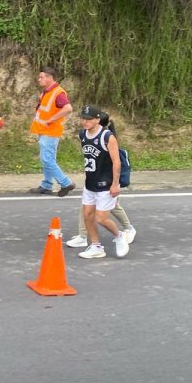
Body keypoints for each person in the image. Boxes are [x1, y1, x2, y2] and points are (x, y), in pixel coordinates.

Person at [66, 110, 135, 249]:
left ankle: (128, 229)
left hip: (107, 182)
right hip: (93, 182)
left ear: (99, 123)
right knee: (87, 211)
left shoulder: (107, 138)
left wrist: (115, 184)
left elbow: (116, 163)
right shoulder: (85, 135)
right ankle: (84, 236)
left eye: (90, 120)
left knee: (110, 210)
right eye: (84, 119)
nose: (86, 122)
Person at [28, 67, 75, 196]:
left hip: (50, 132)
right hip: (45, 131)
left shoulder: (58, 93)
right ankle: (46, 185)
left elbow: (68, 108)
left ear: (49, 78)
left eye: (41, 77)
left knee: (47, 160)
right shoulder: (47, 92)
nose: (39, 79)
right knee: (47, 160)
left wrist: (51, 119)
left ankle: (66, 183)